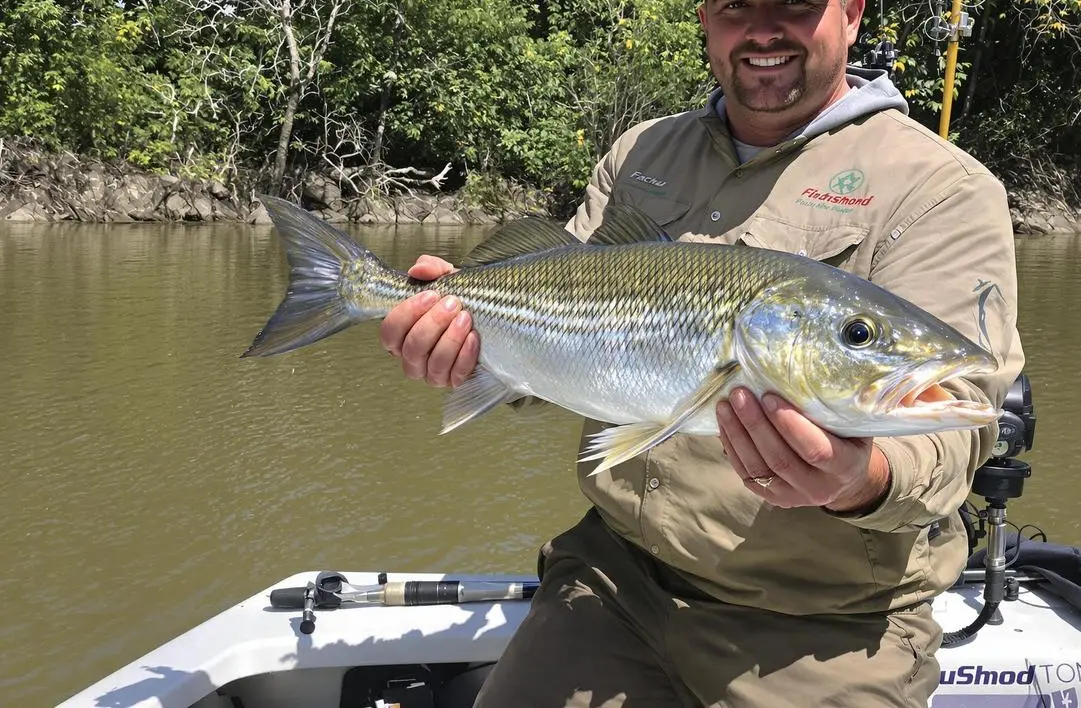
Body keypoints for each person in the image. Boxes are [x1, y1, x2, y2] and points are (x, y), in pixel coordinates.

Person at [381, 0, 1025, 705]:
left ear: (853, 12)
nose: (763, 30)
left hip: (825, 630)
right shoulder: (641, 152)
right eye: (734, 8)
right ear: (703, 17)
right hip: (610, 581)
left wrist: (859, 479)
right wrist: (472, 352)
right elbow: (564, 352)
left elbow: (958, 433)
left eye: (797, 6)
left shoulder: (943, 190)